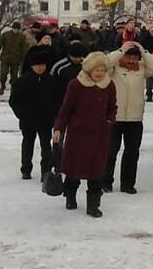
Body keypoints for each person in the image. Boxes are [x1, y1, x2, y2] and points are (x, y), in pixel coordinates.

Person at [53, 52, 116, 218]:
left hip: (100, 136)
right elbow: (66, 110)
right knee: (74, 170)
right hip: (78, 136)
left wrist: (109, 122)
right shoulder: (76, 85)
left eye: (103, 69)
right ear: (89, 69)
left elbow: (112, 107)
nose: (100, 73)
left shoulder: (109, 85)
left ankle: (93, 205)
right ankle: (70, 197)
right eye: (97, 69)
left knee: (96, 172)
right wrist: (58, 128)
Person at [102, 41, 153, 194]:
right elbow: (105, 63)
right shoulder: (114, 68)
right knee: (111, 152)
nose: (132, 60)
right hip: (116, 117)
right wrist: (121, 50)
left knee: (132, 153)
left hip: (135, 118)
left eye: (135, 57)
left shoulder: (141, 68)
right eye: (129, 57)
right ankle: (106, 181)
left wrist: (143, 50)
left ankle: (128, 183)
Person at [8, 45, 57, 181]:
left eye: (42, 65)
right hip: (28, 120)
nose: (40, 68)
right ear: (32, 66)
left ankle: (46, 170)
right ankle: (26, 169)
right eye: (37, 65)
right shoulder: (22, 81)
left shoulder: (51, 80)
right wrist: (21, 114)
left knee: (46, 146)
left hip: (46, 120)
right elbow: (13, 100)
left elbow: (57, 99)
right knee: (28, 144)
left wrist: (53, 113)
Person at [0, 22, 31, 96]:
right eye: (14, 29)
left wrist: (24, 59)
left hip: (16, 59)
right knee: (3, 73)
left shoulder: (22, 37)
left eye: (17, 29)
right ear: (12, 28)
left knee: (14, 76)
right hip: (5, 58)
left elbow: (24, 49)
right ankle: (2, 85)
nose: (15, 30)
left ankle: (13, 90)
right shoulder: (5, 35)